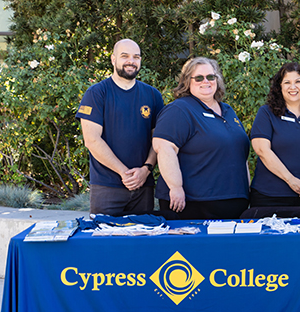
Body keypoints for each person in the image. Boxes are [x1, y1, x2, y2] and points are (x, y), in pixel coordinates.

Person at [152, 57, 250, 220]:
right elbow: (164, 148)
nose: (206, 81)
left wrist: (246, 192)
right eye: (198, 78)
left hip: (233, 202)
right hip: (194, 204)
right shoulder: (179, 110)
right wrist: (175, 187)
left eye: (211, 77)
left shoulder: (228, 110)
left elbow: (241, 154)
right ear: (186, 81)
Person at [76, 39, 164, 216]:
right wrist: (124, 173)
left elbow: (160, 140)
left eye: (136, 57)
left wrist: (146, 170)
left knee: (142, 241)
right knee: (105, 242)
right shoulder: (96, 93)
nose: (131, 61)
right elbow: (92, 140)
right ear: (113, 59)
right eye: (125, 56)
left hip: (143, 186)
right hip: (107, 187)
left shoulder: (153, 95)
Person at [249, 62, 300, 217]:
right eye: (287, 82)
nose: (293, 87)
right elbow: (262, 150)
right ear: (280, 86)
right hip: (270, 197)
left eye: (297, 81)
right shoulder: (266, 113)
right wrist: (291, 180)